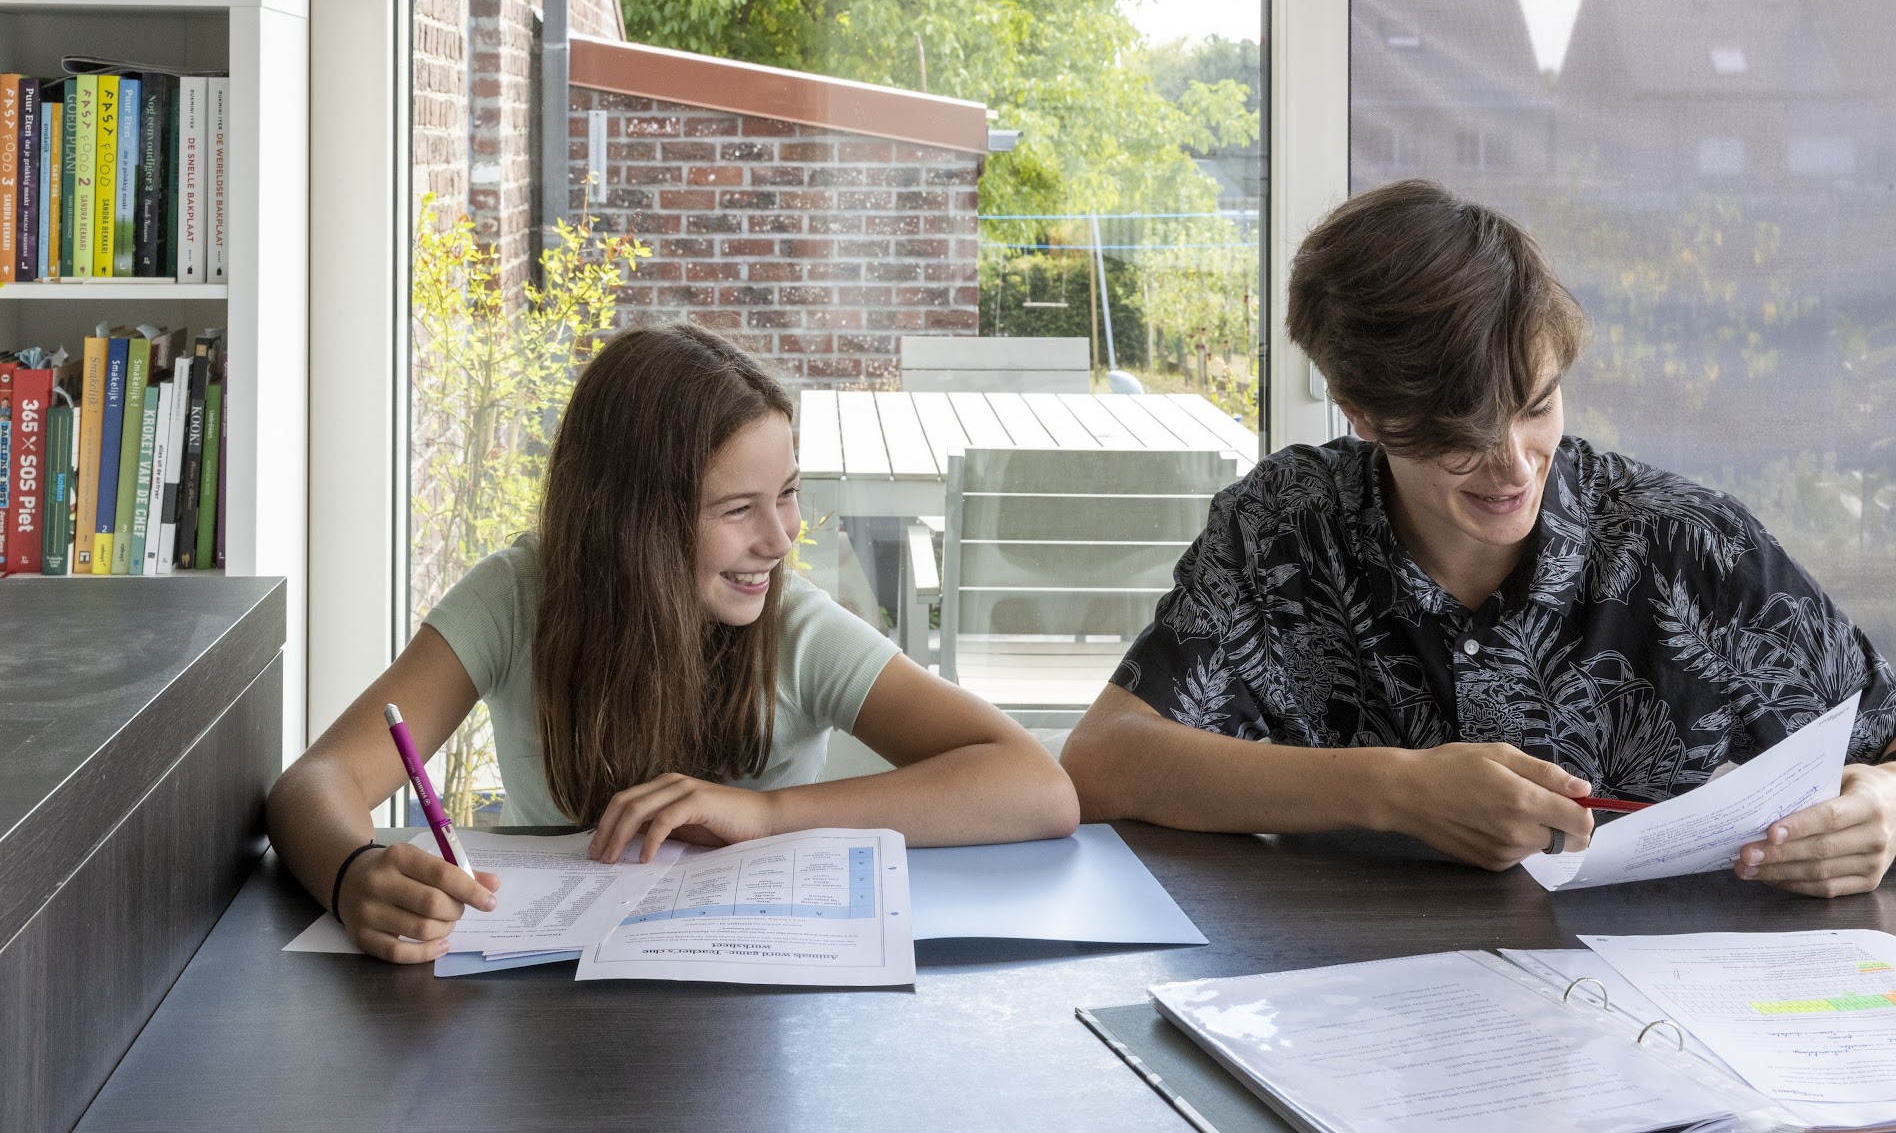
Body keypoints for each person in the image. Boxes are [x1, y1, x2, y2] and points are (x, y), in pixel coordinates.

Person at [1061, 179, 1896, 896]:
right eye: (1460, 435)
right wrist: (1392, 790)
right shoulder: (1284, 527)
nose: (1512, 467)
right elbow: (1105, 760)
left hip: (1662, 1018)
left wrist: (1884, 806)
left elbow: (1884, 736)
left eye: (1537, 409)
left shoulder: (1687, 544)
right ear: (1362, 413)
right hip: (1348, 1004)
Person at [269, 324, 1078, 963]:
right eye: (738, 511)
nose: (781, 537)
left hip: (759, 988)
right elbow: (318, 782)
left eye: (788, 495)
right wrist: (352, 877)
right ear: (635, 525)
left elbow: (1037, 788)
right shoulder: (519, 597)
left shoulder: (791, 624)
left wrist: (766, 816)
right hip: (548, 999)